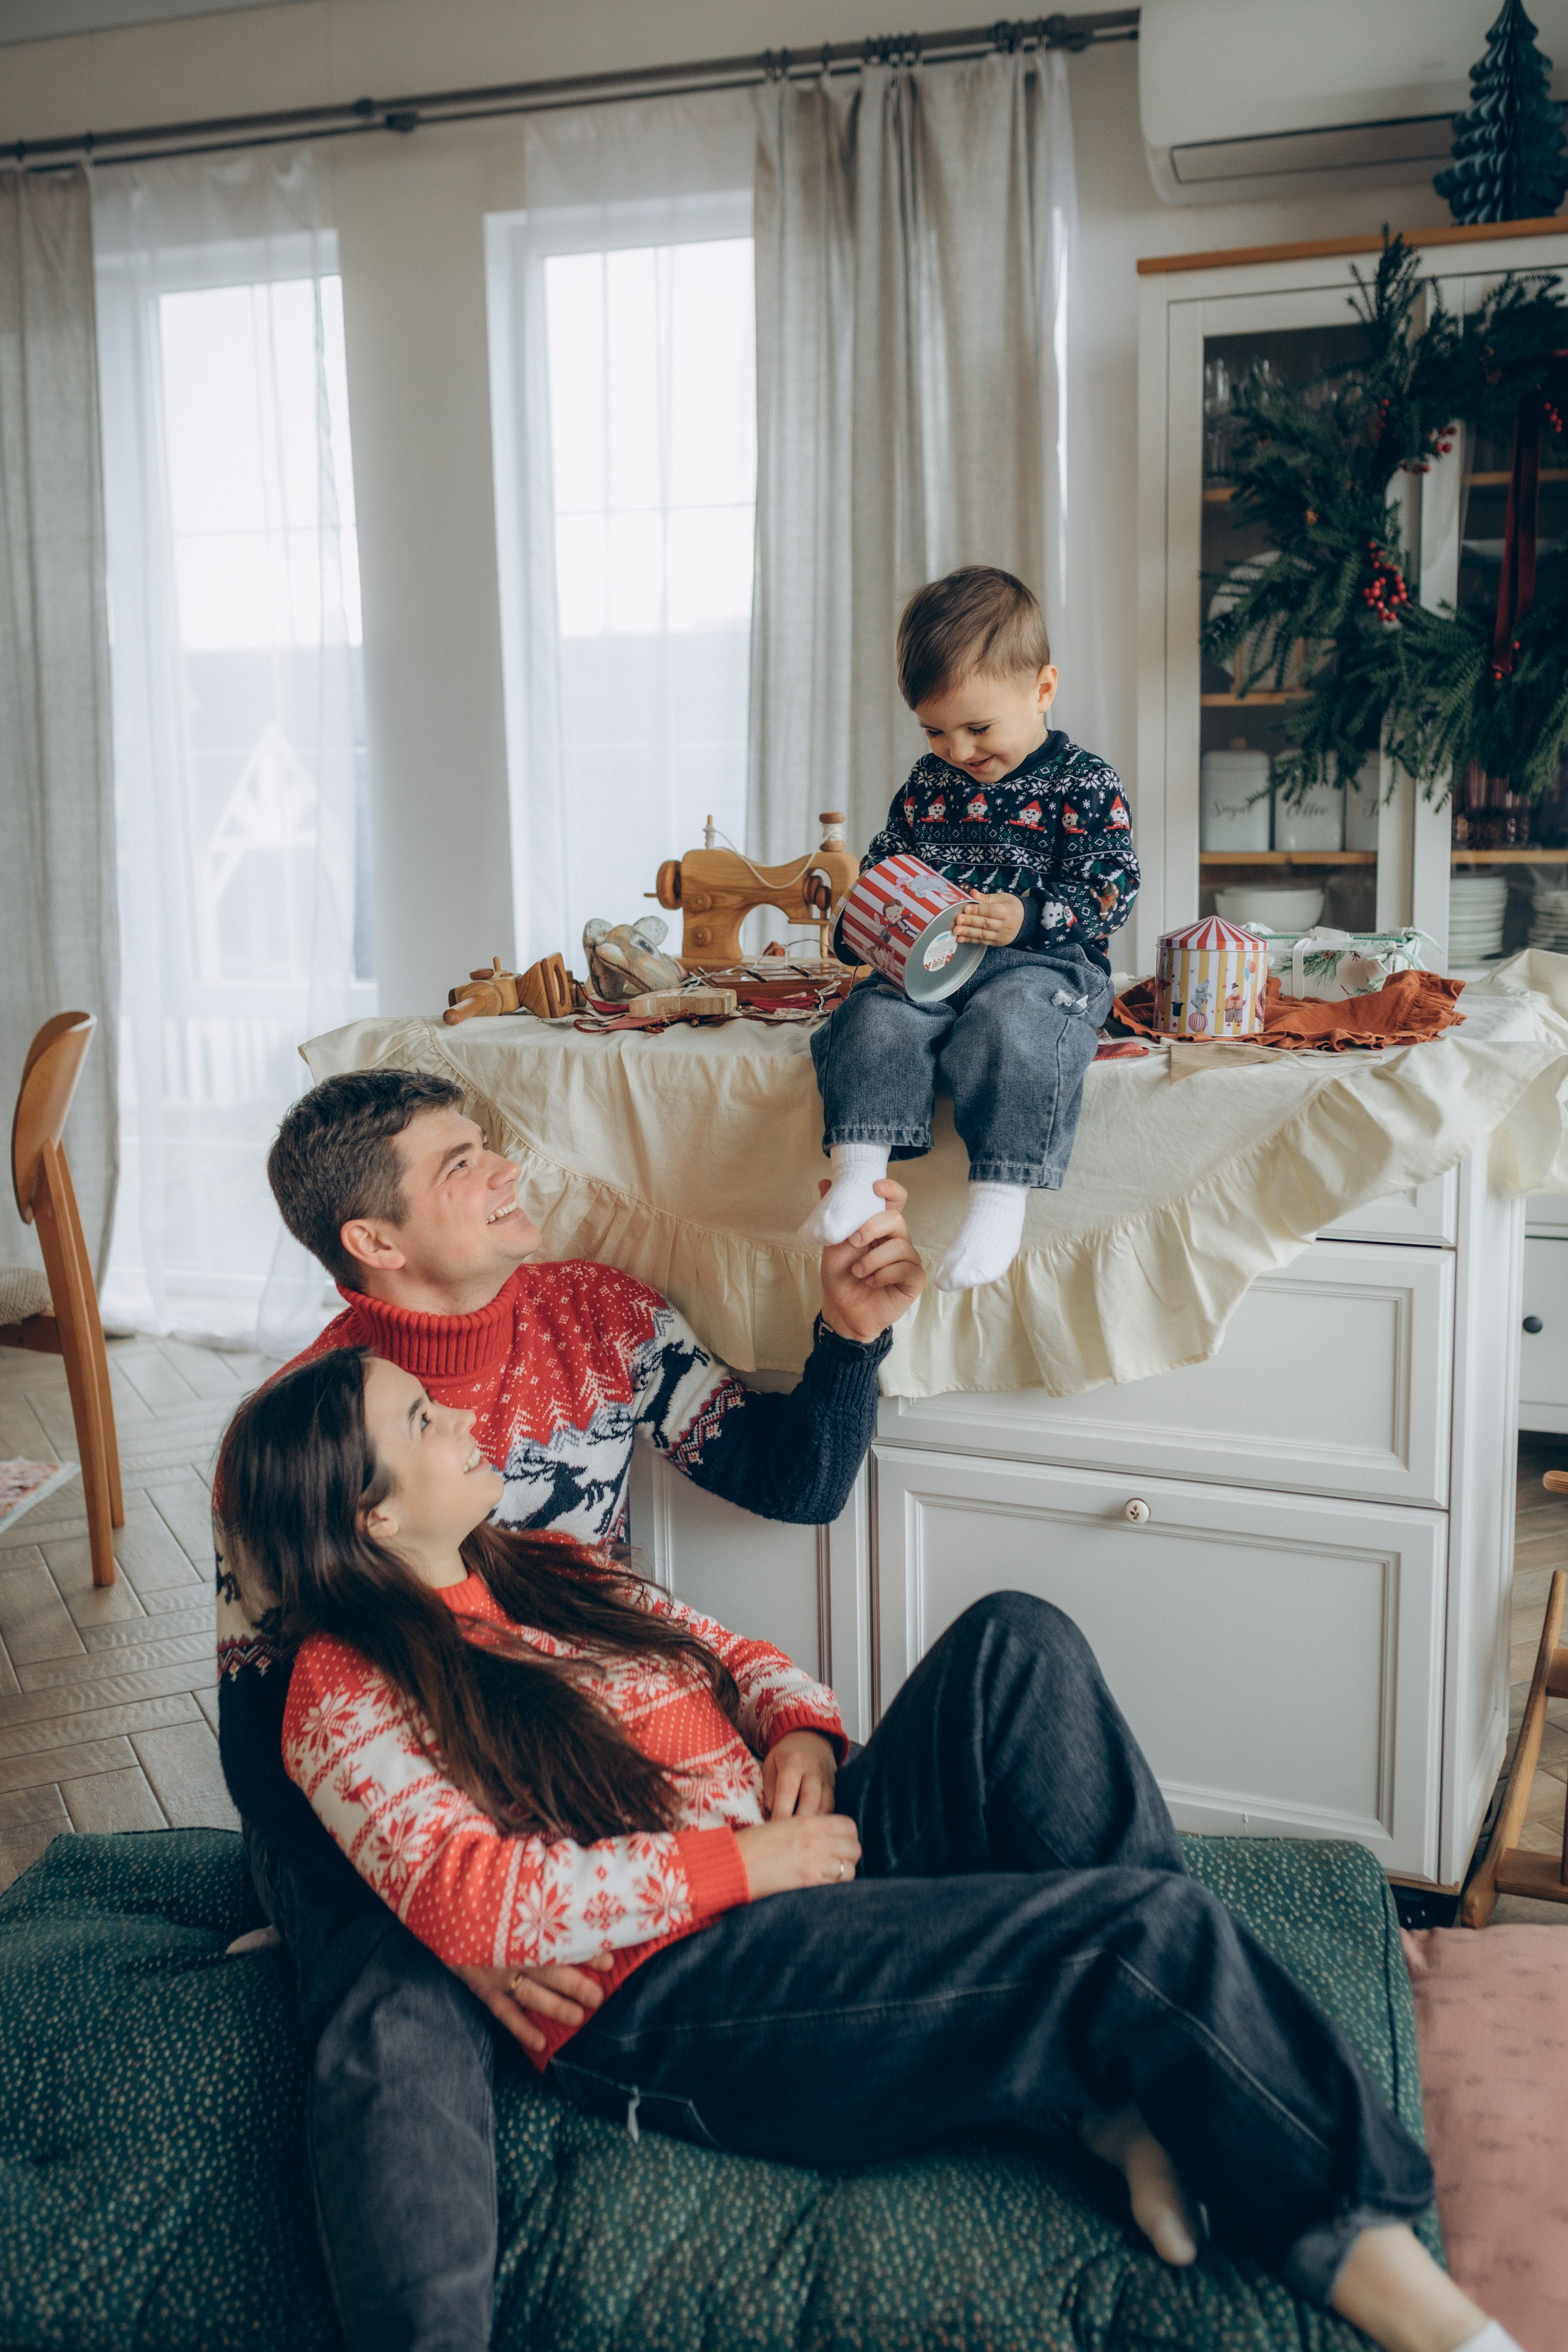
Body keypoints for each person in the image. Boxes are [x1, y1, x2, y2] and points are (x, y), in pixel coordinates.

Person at [217, 1345, 1518, 2352]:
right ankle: (1396, 2282)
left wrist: (799, 1729)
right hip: (679, 1994)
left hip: (802, 1871)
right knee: (1140, 1935)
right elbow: (467, 1897)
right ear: (369, 1518)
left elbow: (736, 1655)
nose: (459, 1414)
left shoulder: (543, 1562)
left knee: (1015, 1640)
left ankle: (1131, 2098)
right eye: (420, 1421)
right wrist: (745, 1870)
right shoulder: (342, 1685)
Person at [218, 1065, 925, 2352]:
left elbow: (795, 1483)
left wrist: (849, 1335)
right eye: (460, 1166)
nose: (506, 1171)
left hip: (578, 1747)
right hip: (386, 1792)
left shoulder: (602, 1314)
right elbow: (262, 1746)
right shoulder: (303, 1431)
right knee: (391, 1996)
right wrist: (452, 1925)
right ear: (375, 1241)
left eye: (487, 1146)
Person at [800, 565, 1139, 1293]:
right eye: (935, 730)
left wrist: (1031, 915)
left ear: (1041, 690)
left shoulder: (1083, 782)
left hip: (1042, 966)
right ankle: (858, 1172)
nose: (957, 750)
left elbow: (1112, 889)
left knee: (1012, 1025)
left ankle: (999, 1198)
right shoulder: (928, 785)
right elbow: (885, 865)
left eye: (978, 728)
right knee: (872, 1017)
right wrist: (862, 925)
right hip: (933, 964)